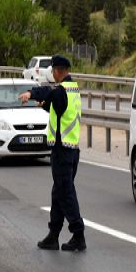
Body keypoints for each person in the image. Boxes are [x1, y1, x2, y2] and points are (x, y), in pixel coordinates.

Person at [18, 55, 86, 252]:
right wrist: (45, 104)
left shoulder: (62, 90)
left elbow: (49, 92)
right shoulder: (74, 90)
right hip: (72, 150)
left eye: (53, 72)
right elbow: (61, 109)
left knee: (65, 193)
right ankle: (53, 235)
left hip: (62, 151)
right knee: (58, 192)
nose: (53, 76)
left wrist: (31, 93)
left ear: (57, 71)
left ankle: (78, 233)